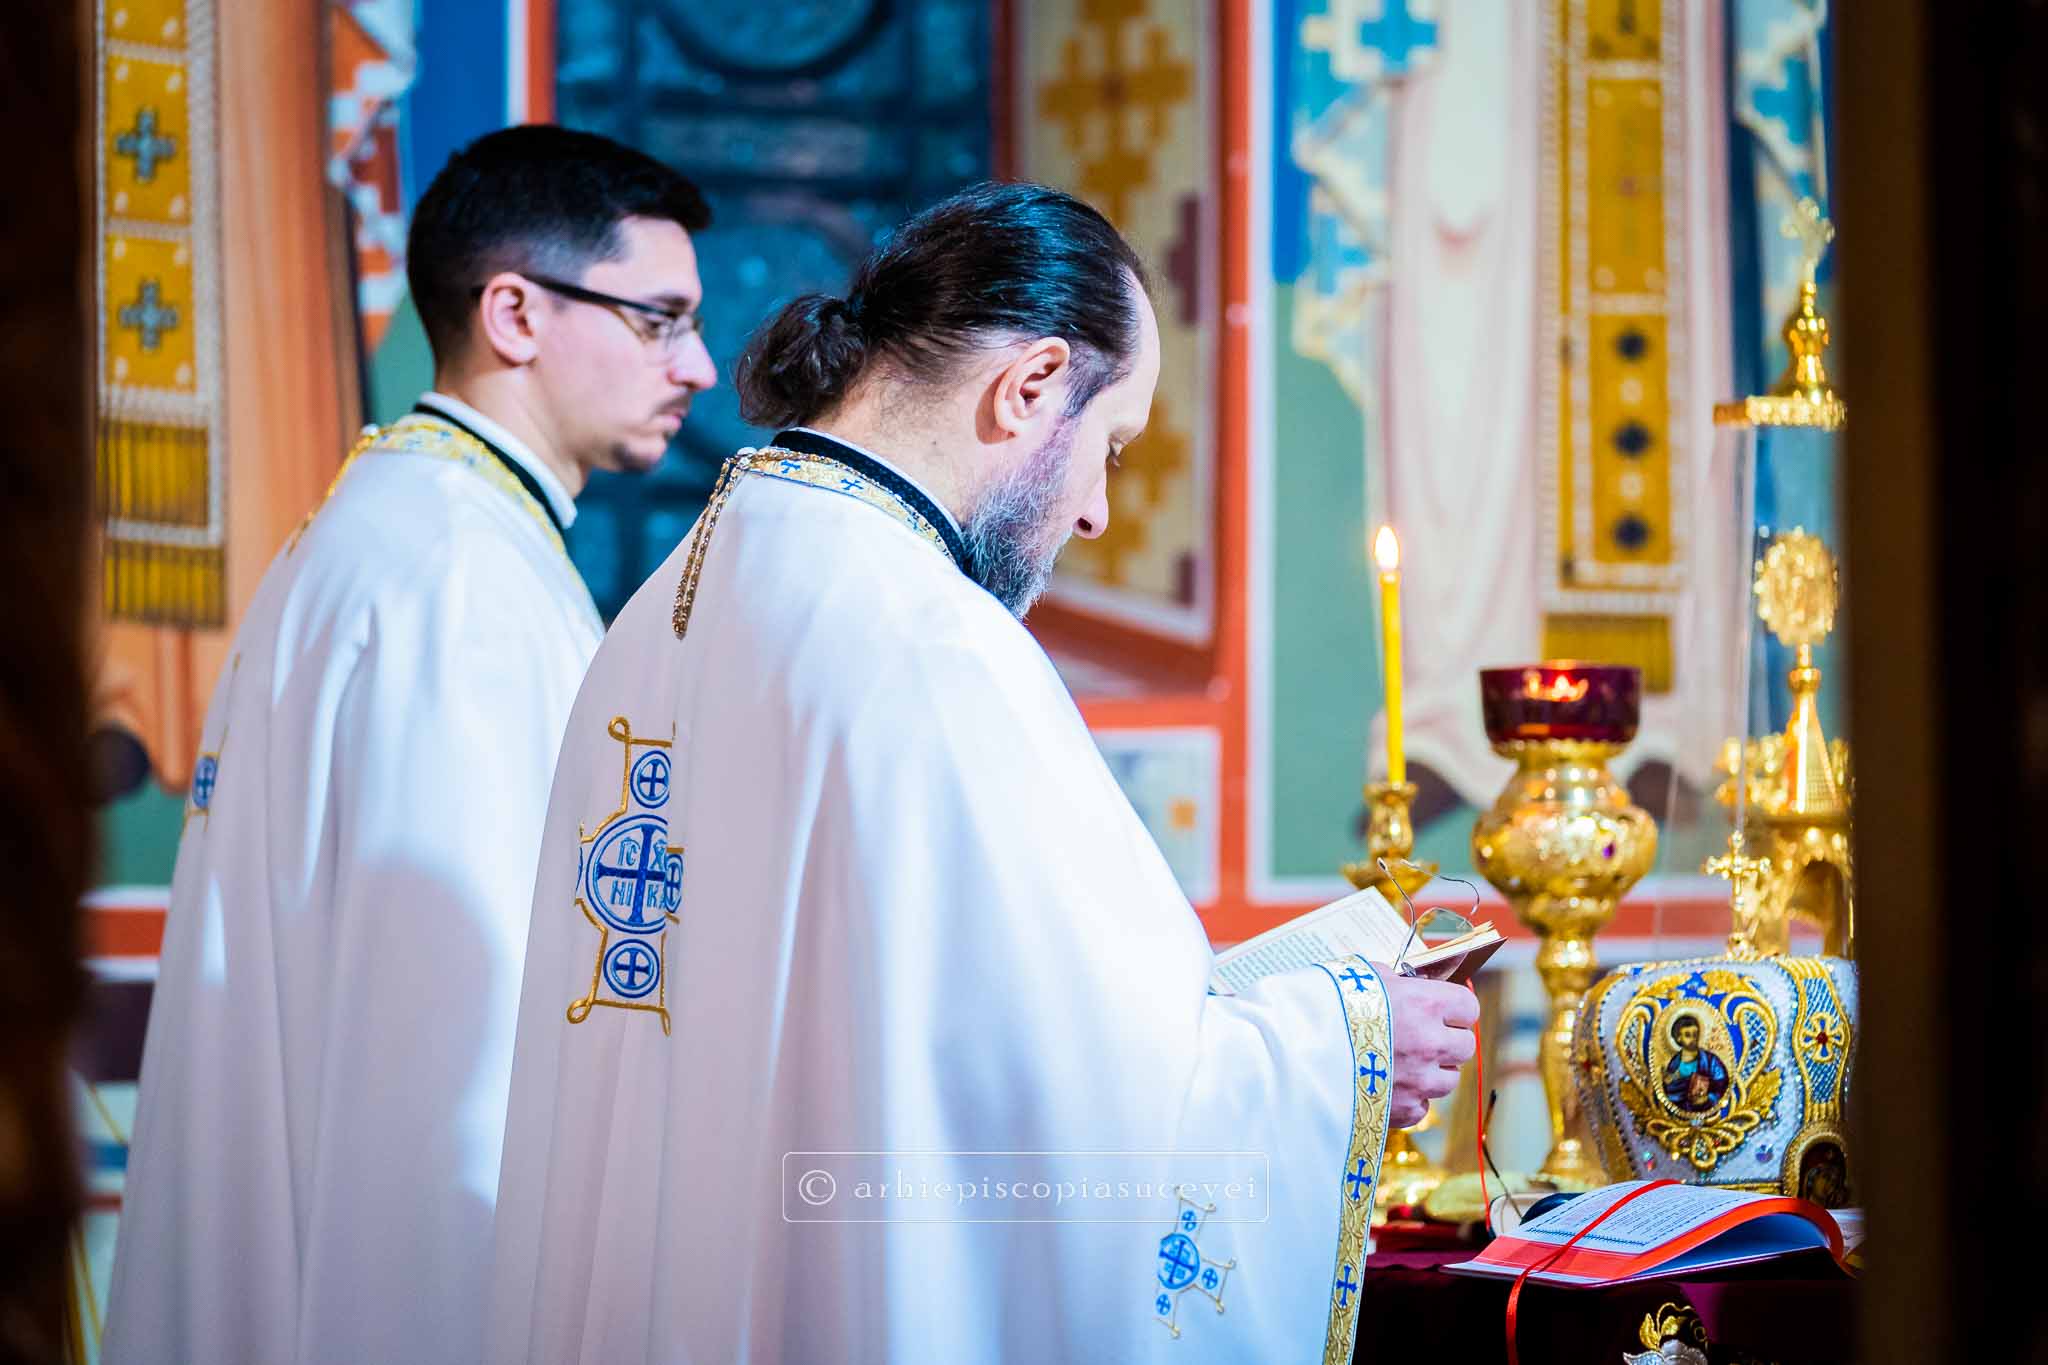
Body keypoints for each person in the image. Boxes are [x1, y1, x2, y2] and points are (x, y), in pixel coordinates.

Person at [485, 181, 1476, 1363]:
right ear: (1031, 385)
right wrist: (1348, 1040)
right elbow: (1089, 1104)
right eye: (1109, 449)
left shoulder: (677, 594)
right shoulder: (933, 645)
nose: (1095, 511)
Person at [103, 125, 717, 1365]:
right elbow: (458, 1042)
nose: (697, 365)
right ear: (515, 313)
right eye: (659, 319)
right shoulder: (458, 579)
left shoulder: (401, 521)